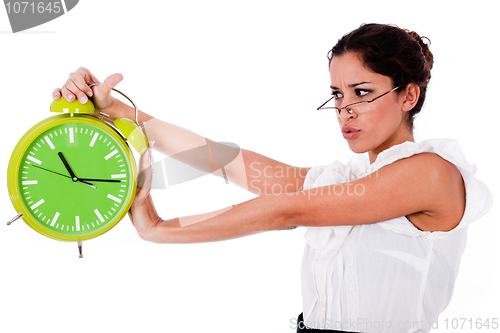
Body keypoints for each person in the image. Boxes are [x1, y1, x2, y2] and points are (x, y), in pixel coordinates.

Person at [53, 23, 492, 333]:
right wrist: (116, 110)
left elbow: (286, 211)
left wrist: (159, 229)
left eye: (362, 92)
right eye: (337, 95)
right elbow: (223, 160)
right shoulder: (343, 180)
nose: (345, 110)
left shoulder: (429, 173)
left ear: (408, 95)